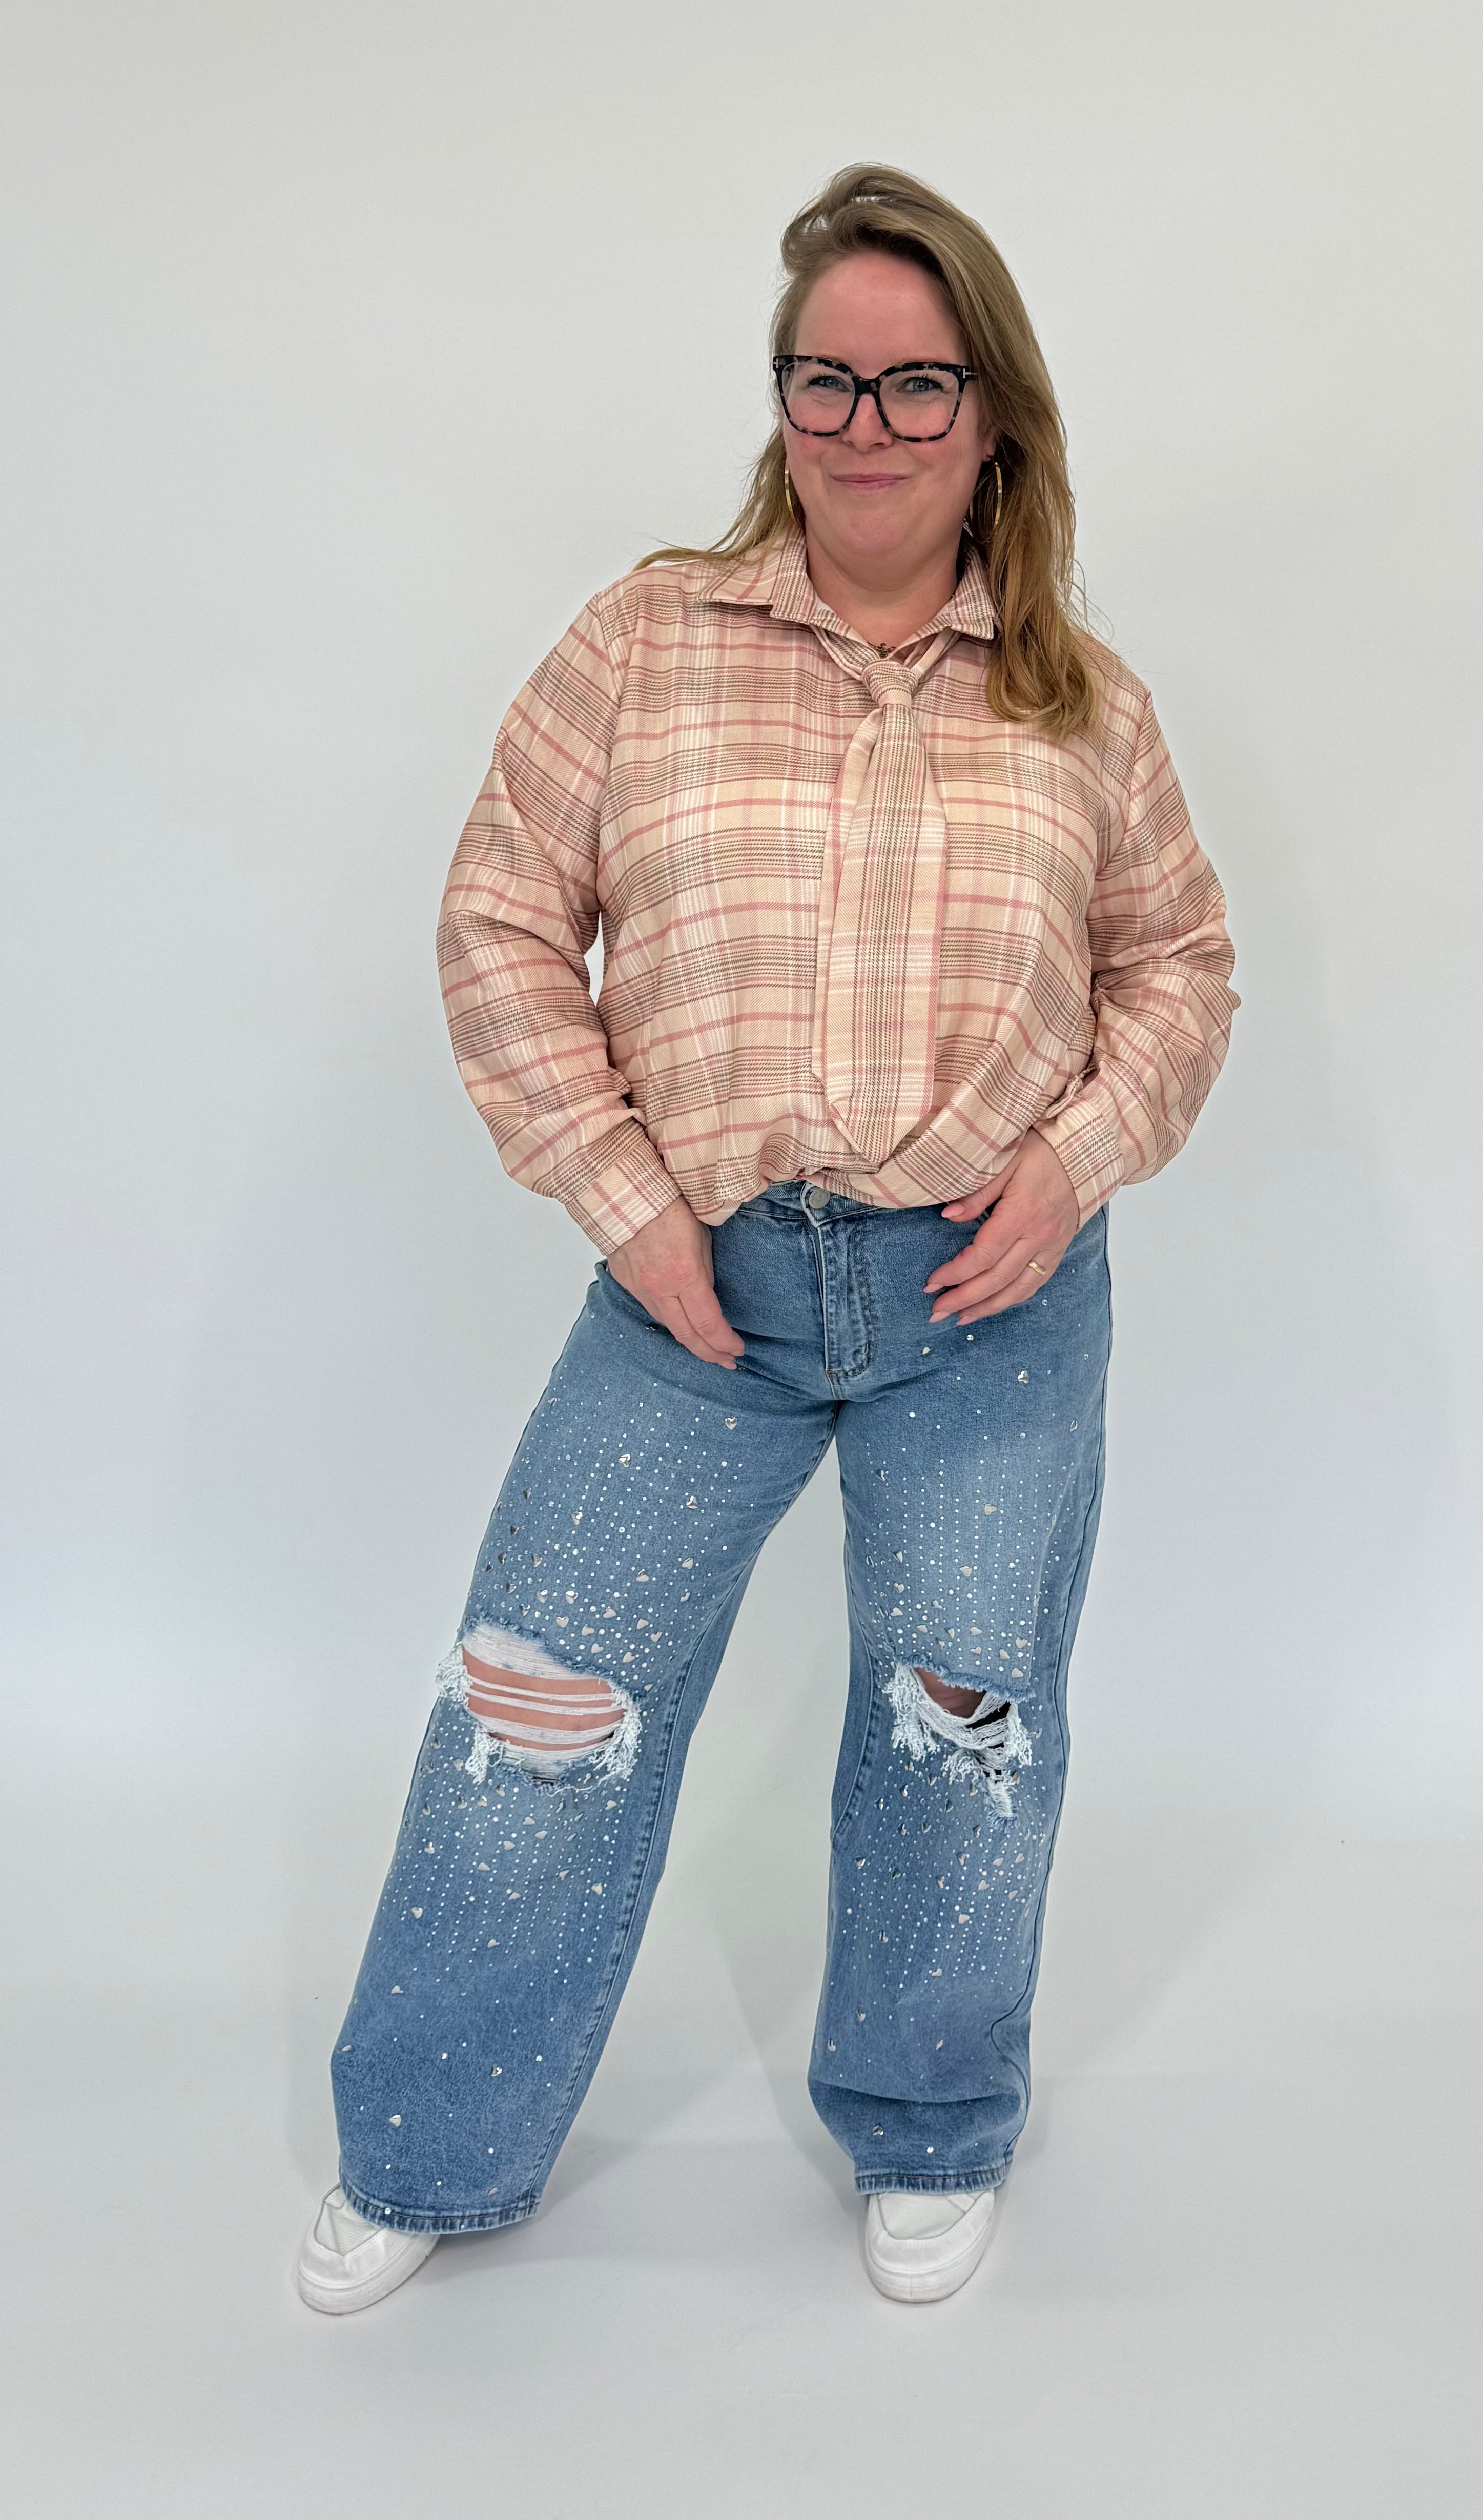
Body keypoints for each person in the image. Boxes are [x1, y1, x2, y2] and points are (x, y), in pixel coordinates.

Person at [296, 162, 1237, 2316]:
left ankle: (926, 2121)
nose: (866, 424)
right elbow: (501, 921)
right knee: (542, 1703)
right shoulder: (643, 643)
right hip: (693, 1293)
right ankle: (431, 2148)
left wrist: (1079, 1161)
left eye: (917, 384)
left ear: (993, 417)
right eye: (828, 378)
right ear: (782, 398)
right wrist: (624, 1199)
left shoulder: (1084, 702)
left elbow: (1179, 964)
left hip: (987, 1300)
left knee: (957, 1725)